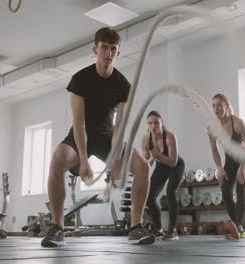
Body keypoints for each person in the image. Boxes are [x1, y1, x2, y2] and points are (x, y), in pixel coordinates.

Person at [41, 27, 154, 247]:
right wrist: (83, 160)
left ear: (118, 53)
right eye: (104, 48)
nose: (108, 53)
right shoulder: (80, 79)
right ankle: (57, 227)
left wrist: (116, 162)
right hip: (80, 135)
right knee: (57, 160)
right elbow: (79, 122)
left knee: (143, 167)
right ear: (96, 49)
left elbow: (120, 124)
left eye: (113, 49)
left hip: (108, 136)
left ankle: (135, 227)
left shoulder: (122, 85)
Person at [207, 93, 245, 239]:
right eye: (214, 105)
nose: (216, 109)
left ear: (227, 107)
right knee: (226, 191)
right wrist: (220, 168)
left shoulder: (238, 123)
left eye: (219, 105)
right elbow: (214, 150)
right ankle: (238, 228)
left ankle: (239, 227)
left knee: (241, 190)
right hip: (229, 162)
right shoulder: (212, 128)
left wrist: (242, 168)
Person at [141, 111, 185, 240]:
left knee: (170, 191)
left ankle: (172, 230)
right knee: (149, 197)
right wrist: (150, 160)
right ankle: (159, 229)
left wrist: (159, 156)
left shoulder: (170, 137)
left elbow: (173, 162)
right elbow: (147, 162)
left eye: (156, 122)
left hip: (176, 166)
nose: (153, 126)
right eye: (150, 123)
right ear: (147, 125)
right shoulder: (145, 139)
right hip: (161, 167)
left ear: (162, 123)